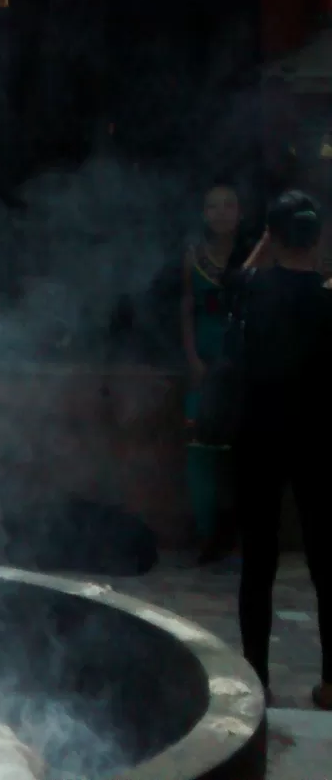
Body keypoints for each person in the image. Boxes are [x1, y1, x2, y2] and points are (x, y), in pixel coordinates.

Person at [234, 190, 332, 708]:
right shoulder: (327, 298)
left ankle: (258, 681)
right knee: (327, 562)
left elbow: (234, 283)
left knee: (259, 562)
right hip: (319, 440)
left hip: (259, 436)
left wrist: (263, 246)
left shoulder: (253, 288)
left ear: (271, 238)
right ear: (317, 239)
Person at [181, 182, 252, 561]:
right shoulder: (193, 256)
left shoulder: (255, 257)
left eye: (229, 205)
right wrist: (193, 359)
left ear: (240, 213)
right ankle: (207, 535)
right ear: (204, 214)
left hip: (242, 363)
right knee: (200, 451)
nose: (222, 212)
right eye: (214, 206)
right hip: (205, 364)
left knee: (239, 454)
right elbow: (187, 310)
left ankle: (234, 536)